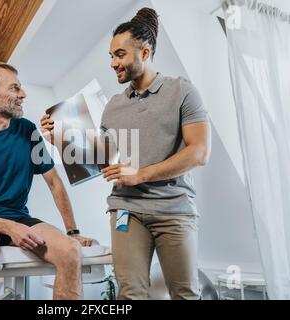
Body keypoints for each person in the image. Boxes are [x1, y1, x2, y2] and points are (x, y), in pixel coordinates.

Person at [41, 8, 211, 300]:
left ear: (145, 53)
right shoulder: (114, 106)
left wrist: (141, 174)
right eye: (111, 56)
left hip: (173, 209)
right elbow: (100, 162)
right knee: (130, 294)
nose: (112, 63)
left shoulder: (182, 91)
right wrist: (61, 139)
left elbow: (199, 152)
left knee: (185, 293)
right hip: (125, 209)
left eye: (119, 55)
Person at [0, 62, 93, 300]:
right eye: (14, 88)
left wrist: (72, 231)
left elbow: (54, 183)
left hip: (18, 217)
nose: (22, 94)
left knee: (71, 252)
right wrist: (9, 228)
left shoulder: (28, 131)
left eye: (20, 88)